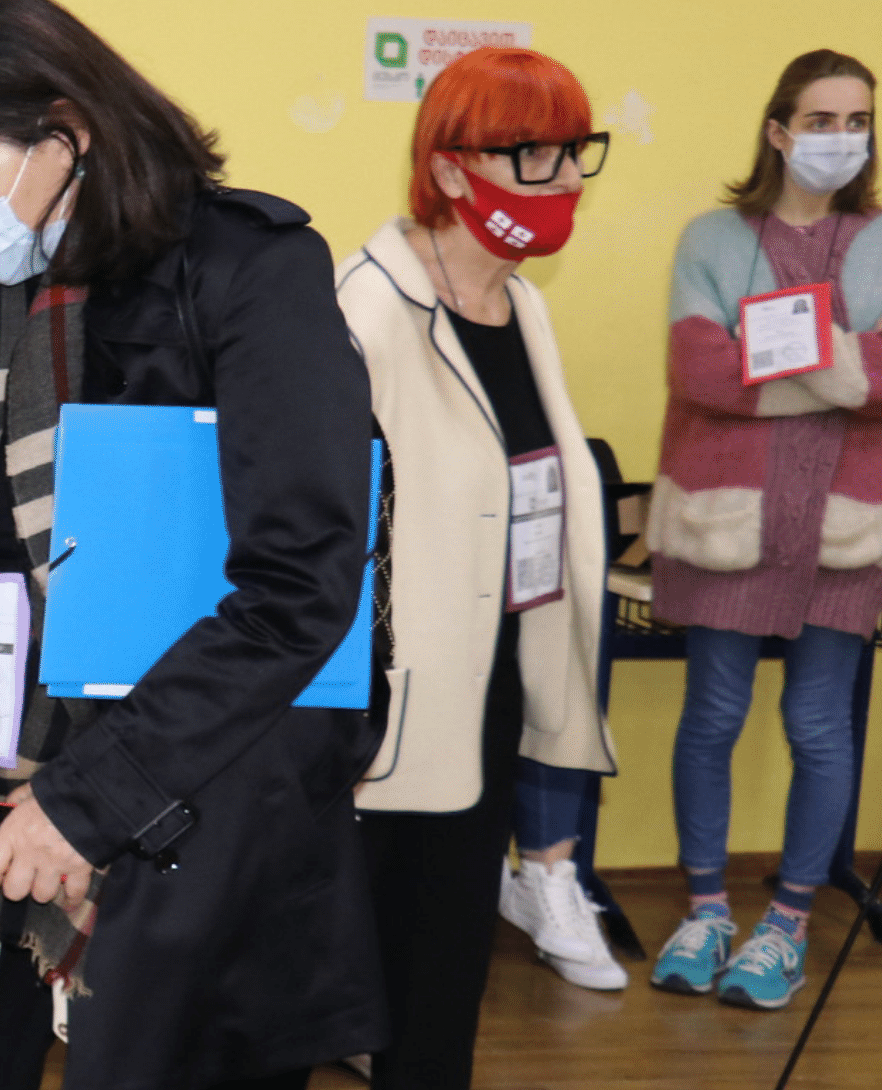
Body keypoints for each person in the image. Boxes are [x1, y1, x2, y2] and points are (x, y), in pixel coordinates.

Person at [0, 2, 382, 1087]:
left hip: (191, 818)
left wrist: (85, 803)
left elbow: (299, 587)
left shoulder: (247, 272)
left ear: (64, 133)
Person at [335, 47, 623, 1088]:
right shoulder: (367, 308)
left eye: (569, 153)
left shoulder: (521, 306)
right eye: (527, 154)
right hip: (392, 700)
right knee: (380, 965)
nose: (557, 180)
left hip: (492, 674)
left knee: (448, 965)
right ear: (451, 171)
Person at [645, 48, 882, 1012]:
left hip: (844, 527)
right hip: (727, 521)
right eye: (819, 120)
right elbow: (700, 372)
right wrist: (845, 370)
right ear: (778, 131)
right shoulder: (713, 236)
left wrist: (775, 369)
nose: (840, 138)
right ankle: (704, 908)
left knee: (822, 726)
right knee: (712, 715)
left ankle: (785, 925)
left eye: (857, 120)